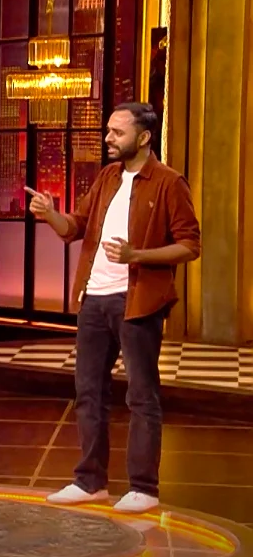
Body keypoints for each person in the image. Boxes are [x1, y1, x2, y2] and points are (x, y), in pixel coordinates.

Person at [26, 102, 200, 514]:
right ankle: (90, 482)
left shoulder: (169, 183)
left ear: (144, 137)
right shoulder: (107, 177)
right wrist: (50, 215)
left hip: (137, 301)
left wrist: (136, 255)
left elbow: (190, 245)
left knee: (141, 395)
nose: (108, 138)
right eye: (108, 131)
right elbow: (75, 228)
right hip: (94, 299)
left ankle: (144, 487)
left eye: (117, 132)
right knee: (88, 392)